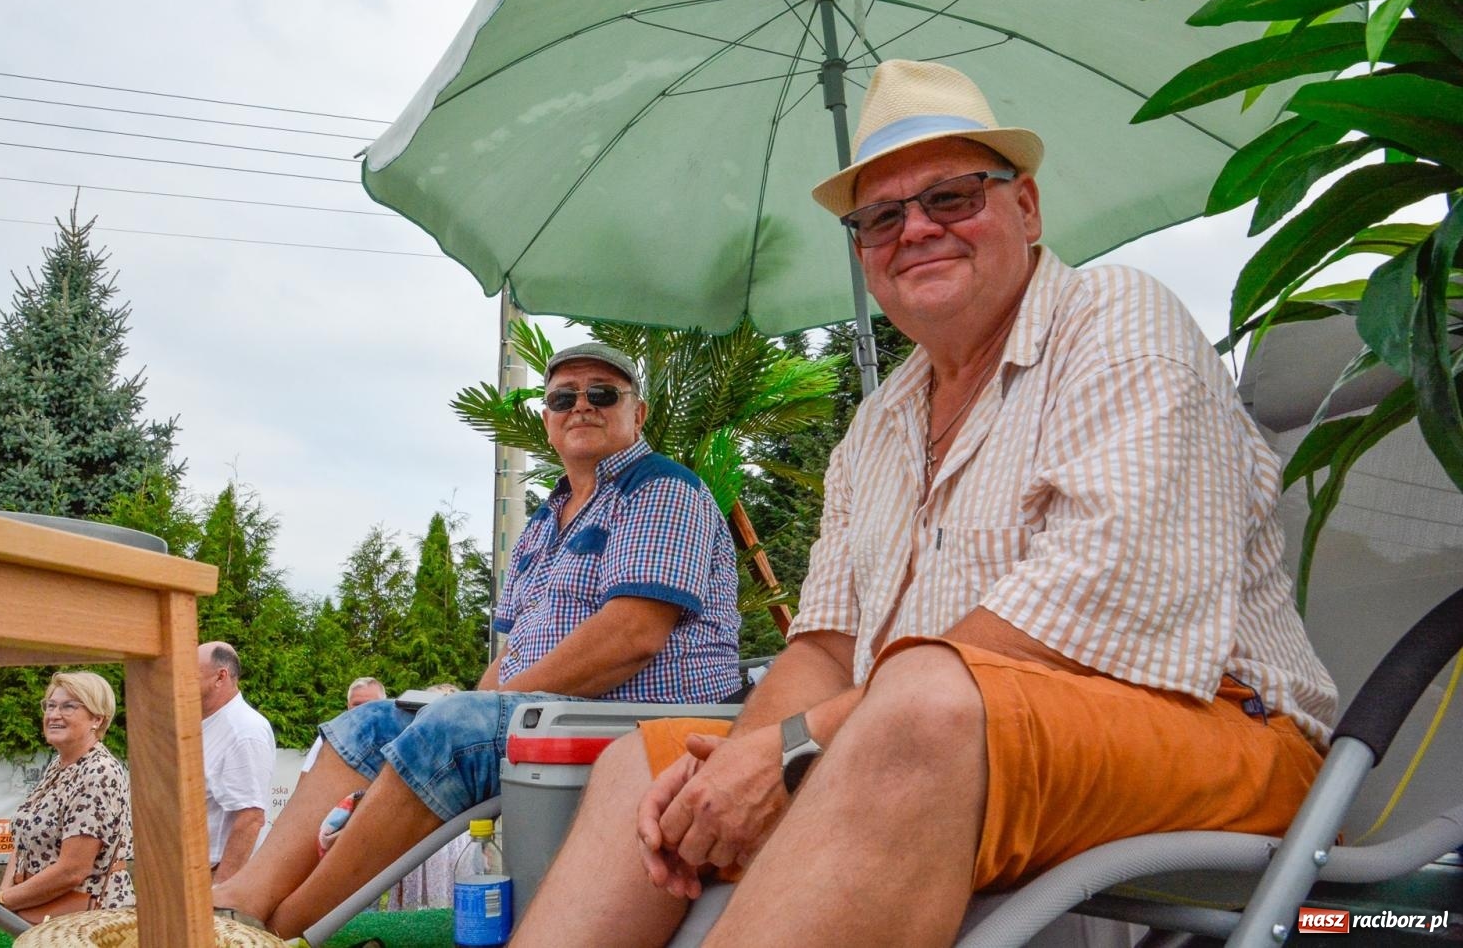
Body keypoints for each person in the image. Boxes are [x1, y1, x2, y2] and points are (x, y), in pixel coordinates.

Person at [513, 61, 1339, 948]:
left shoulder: (1118, 321)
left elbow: (1103, 599)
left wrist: (795, 750)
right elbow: (824, 645)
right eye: (880, 216)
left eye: (950, 197)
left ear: (1025, 207)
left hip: (1219, 730)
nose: (915, 230)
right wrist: (737, 765)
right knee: (643, 766)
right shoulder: (878, 422)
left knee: (922, 702)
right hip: (933, 740)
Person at [211, 342, 742, 937]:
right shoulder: (545, 523)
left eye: (602, 393)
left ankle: (284, 928)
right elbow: (508, 655)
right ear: (547, 421)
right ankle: (243, 897)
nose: (581, 406)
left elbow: (630, 637)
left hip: (639, 721)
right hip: (549, 714)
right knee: (374, 723)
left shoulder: (661, 490)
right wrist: (469, 701)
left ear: (637, 414)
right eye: (563, 397)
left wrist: (484, 705)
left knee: (456, 726)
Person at [0, 672, 134, 920]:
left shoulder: (98, 771)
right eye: (51, 706)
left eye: (68, 707)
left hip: (88, 924)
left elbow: (73, 870)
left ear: (97, 719)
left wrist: (4, 900)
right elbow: (23, 842)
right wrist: (5, 892)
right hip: (45, 913)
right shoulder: (60, 764)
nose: (54, 715)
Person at [199, 641, 277, 881]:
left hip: (216, 878)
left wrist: (221, 893)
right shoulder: (206, 723)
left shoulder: (244, 731)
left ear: (220, 677)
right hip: (192, 877)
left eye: (188, 675)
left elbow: (250, 818)